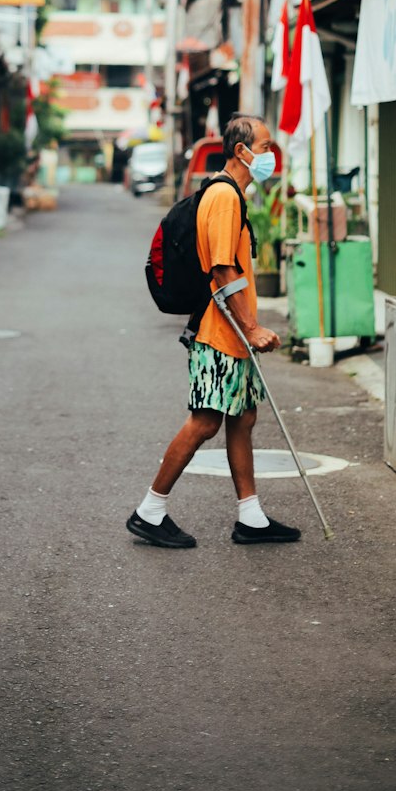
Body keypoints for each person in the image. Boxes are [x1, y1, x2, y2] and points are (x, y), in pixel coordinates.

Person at [127, 113, 301, 549]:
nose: (269, 156)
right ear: (241, 151)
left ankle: (251, 517)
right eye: (264, 148)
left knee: (242, 418)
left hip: (231, 334)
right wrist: (252, 327)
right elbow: (222, 271)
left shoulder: (231, 193)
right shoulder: (224, 197)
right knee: (205, 421)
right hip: (219, 331)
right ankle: (150, 510)